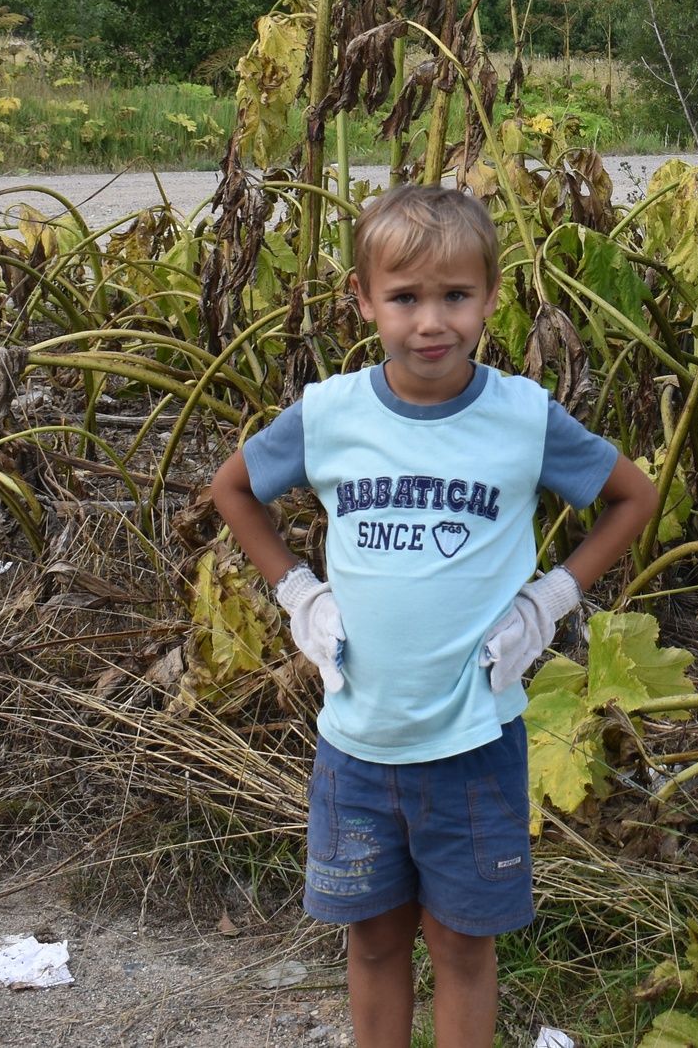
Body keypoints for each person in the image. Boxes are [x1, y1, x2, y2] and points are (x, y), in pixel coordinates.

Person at [209, 184, 659, 1048]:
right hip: (358, 745)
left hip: (475, 746)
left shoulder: (521, 417)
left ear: (491, 297)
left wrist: (548, 600)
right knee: (374, 939)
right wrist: (300, 592)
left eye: (455, 296)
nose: (431, 322)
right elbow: (233, 489)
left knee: (460, 945)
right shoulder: (332, 412)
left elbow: (631, 498)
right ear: (362, 298)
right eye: (405, 296)